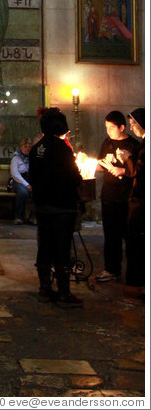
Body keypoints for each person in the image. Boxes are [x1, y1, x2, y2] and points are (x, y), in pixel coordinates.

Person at [28, 107, 84, 307]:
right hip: (62, 206)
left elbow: (32, 176)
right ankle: (63, 292)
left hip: (43, 207)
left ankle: (44, 289)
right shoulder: (62, 149)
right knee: (61, 249)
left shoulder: (37, 149)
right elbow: (73, 176)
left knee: (44, 247)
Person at [94, 110, 140, 283]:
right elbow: (100, 165)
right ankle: (111, 269)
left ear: (122, 127)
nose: (109, 131)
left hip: (127, 197)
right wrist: (89, 162)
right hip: (109, 195)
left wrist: (124, 170)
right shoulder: (107, 142)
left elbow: (138, 171)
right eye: (106, 127)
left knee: (129, 236)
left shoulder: (134, 145)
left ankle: (134, 274)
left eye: (112, 127)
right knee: (110, 234)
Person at [120, 107, 145, 298]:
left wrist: (127, 158)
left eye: (133, 124)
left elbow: (139, 172)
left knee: (137, 241)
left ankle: (138, 282)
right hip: (138, 198)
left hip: (141, 200)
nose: (131, 127)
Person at [10, 138, 35, 225]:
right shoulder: (16, 158)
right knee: (23, 193)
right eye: (25, 146)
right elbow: (15, 173)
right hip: (19, 180)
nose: (27, 148)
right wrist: (26, 184)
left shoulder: (33, 158)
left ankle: (33, 217)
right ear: (21, 147)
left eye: (29, 146)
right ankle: (18, 216)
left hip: (30, 179)